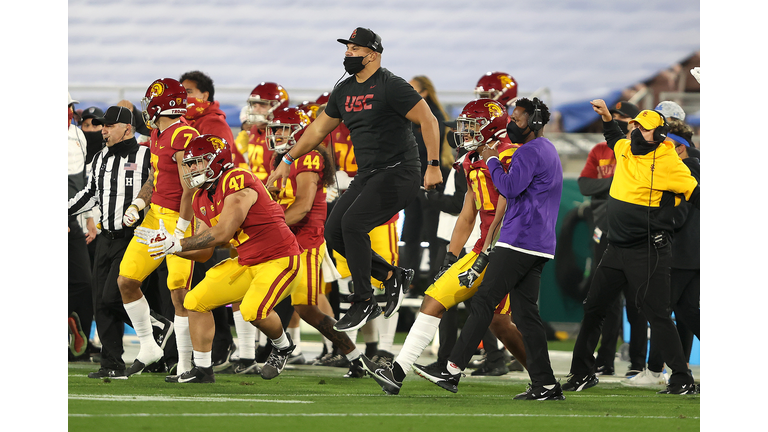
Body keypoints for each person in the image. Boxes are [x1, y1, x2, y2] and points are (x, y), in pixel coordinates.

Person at [267, 27, 443, 333]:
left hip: (401, 171)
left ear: (372, 55)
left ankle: (363, 299)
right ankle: (391, 276)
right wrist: (287, 159)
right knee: (334, 232)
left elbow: (428, 119)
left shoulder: (392, 86)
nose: (348, 53)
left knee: (353, 225)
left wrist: (433, 165)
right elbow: (318, 130)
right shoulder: (345, 90)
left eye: (355, 49)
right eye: (347, 48)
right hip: (369, 175)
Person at [361, 99, 529, 395]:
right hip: (483, 247)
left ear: (491, 127)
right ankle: (397, 372)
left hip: (508, 248)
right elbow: (467, 215)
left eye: (471, 125)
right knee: (435, 297)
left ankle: (541, 375)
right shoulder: (471, 161)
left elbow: (510, 207)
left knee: (499, 323)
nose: (464, 132)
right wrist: (450, 256)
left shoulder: (512, 156)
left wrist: (489, 250)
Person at [411, 97, 566, 401]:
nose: (513, 123)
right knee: (526, 316)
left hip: (518, 239)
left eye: (519, 119)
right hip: (539, 242)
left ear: (534, 123)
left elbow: (508, 189)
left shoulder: (528, 151)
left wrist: (492, 159)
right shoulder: (547, 149)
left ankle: (451, 369)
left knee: (484, 302)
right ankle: (545, 384)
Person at [135, 134, 306, 383]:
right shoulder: (201, 197)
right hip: (247, 262)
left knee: (252, 310)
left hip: (279, 258)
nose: (191, 168)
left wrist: (177, 241)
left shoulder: (237, 180)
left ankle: (282, 346)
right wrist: (169, 247)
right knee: (194, 301)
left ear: (216, 160)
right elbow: (205, 250)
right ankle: (203, 370)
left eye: (197, 162)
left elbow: (223, 232)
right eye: (190, 164)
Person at [563, 100, 700, 395]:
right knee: (594, 308)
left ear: (660, 136)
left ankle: (682, 377)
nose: (635, 130)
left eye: (643, 127)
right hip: (616, 247)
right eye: (634, 124)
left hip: (648, 250)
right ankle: (582, 373)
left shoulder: (669, 162)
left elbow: (696, 193)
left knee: (658, 314)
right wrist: (606, 118)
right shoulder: (624, 147)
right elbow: (613, 137)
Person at [69, 105, 173, 378]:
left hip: (136, 237)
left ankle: (156, 327)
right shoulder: (100, 158)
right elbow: (90, 194)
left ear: (127, 128)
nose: (103, 130)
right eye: (102, 125)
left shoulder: (146, 154)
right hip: (106, 237)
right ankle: (112, 364)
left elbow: (160, 190)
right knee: (101, 303)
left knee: (114, 296)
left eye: (109, 125)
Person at [266, 107, 367, 377]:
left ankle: (355, 357)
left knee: (306, 308)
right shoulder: (281, 159)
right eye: (274, 129)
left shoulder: (308, 157)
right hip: (284, 240)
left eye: (282, 129)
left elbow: (302, 207)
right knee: (261, 299)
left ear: (298, 131)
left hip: (304, 243)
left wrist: (264, 228)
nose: (276, 134)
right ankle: (276, 350)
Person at [118, 78, 200, 378]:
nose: (147, 106)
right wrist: (138, 204)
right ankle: (149, 346)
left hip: (180, 219)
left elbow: (190, 185)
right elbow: (156, 178)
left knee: (179, 292)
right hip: (154, 217)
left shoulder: (185, 135)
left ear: (161, 104)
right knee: (126, 280)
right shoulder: (156, 133)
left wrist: (180, 230)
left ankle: (187, 365)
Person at [623, 121, 700, 387]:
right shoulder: (700, 167)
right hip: (696, 252)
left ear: (679, 147)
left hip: (679, 252)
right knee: (689, 312)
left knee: (659, 310)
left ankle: (656, 371)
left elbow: (677, 216)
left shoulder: (681, 169)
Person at [180, 70, 247, 370]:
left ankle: (229, 345)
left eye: (190, 92)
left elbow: (218, 168)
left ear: (205, 95)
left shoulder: (214, 123)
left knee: (210, 276)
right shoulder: (185, 123)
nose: (185, 99)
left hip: (221, 204)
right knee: (195, 282)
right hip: (201, 202)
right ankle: (201, 353)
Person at [578, 100, 649, 377]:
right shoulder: (599, 150)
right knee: (606, 299)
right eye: (615, 116)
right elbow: (584, 184)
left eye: (623, 117)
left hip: (634, 232)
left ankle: (637, 362)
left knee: (636, 299)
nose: (617, 120)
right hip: (605, 232)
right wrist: (616, 183)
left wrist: (605, 186)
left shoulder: (640, 152)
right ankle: (605, 360)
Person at [400, 75, 449, 293]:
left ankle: (432, 281)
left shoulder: (433, 116)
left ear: (425, 92)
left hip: (430, 181)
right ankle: (407, 282)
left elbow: (422, 148)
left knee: (432, 233)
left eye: (413, 89)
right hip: (412, 180)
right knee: (411, 232)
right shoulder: (409, 116)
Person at [68, 92, 97, 361]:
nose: (69, 113)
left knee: (83, 282)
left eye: (69, 108)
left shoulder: (77, 135)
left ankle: (77, 344)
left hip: (73, 219)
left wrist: (89, 216)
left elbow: (85, 179)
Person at [245, 82, 290, 183]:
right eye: (254, 105)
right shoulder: (254, 129)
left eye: (262, 106)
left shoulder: (282, 133)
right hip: (256, 186)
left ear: (277, 107)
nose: (256, 110)